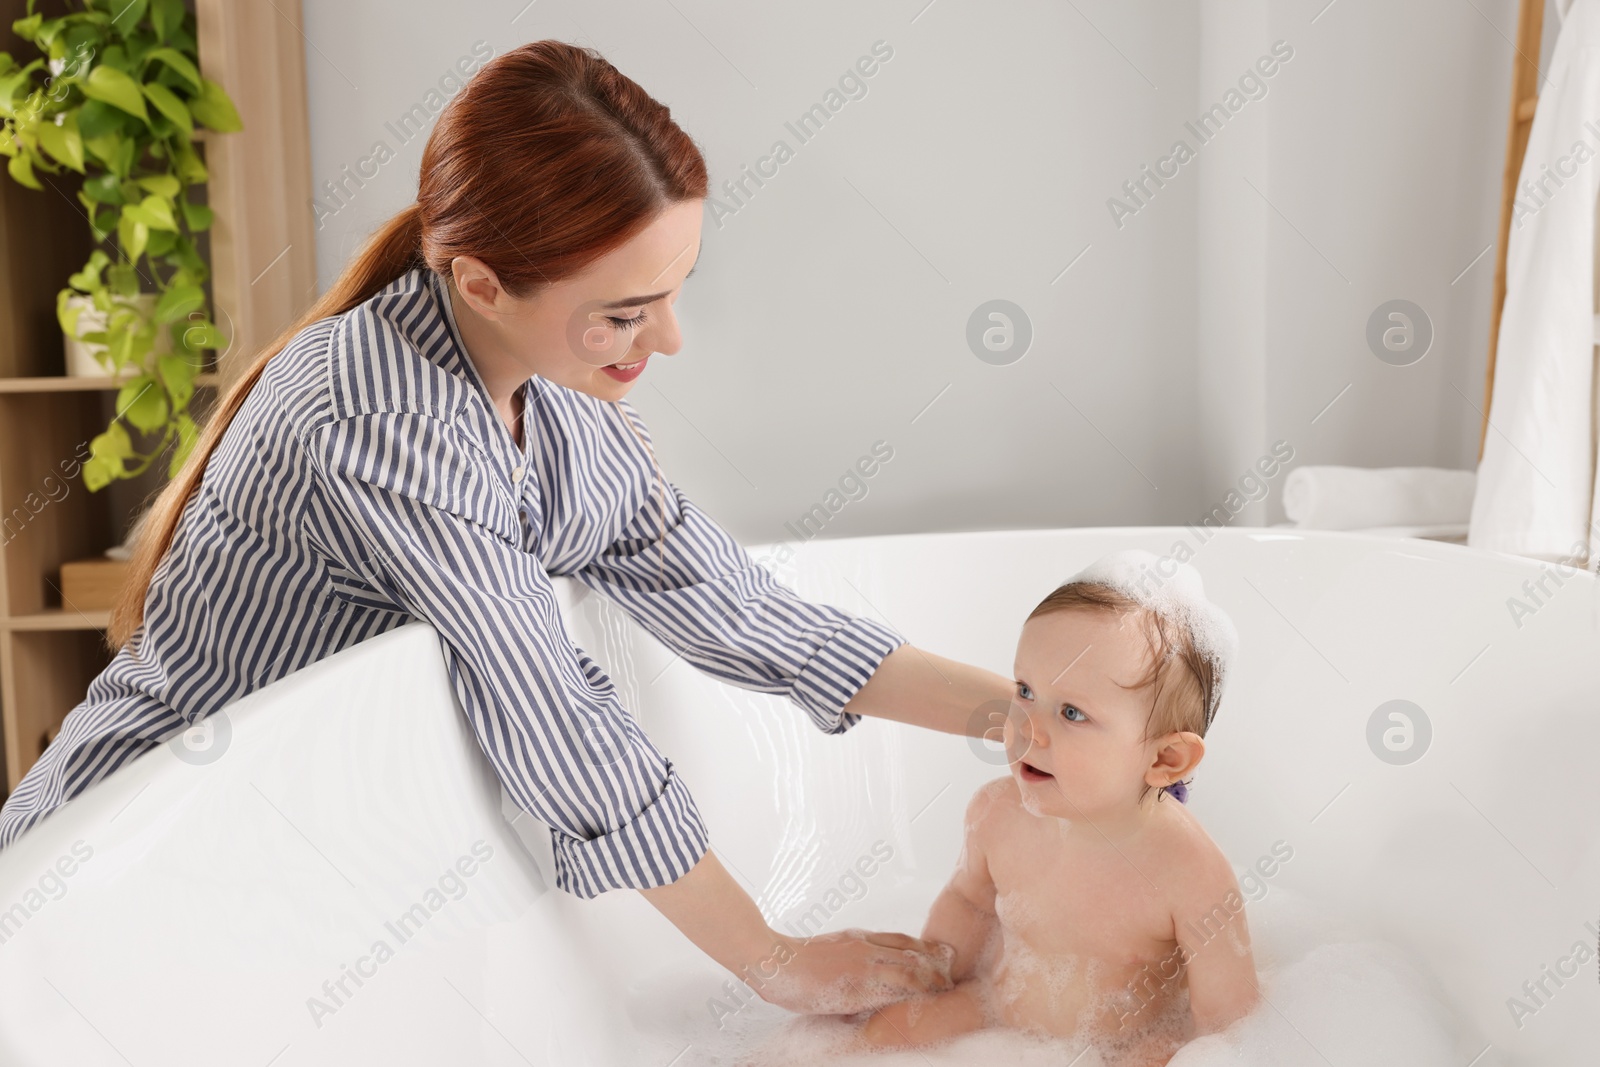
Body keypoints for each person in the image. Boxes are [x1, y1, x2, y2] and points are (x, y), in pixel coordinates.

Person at [0, 40, 1014, 1015]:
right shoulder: (385, 419)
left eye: (672, 294)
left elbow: (747, 611)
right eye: (623, 312)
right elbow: (551, 712)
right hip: (116, 874)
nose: (665, 339)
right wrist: (775, 959)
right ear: (482, 281)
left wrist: (1034, 719)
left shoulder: (556, 400)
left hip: (278, 874)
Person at [853, 550, 1260, 1062]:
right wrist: (934, 972)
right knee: (878, 1036)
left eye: (1072, 712)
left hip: (1121, 1044)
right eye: (1025, 691)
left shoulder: (1190, 872)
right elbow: (968, 902)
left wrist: (1175, 1051)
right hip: (996, 1006)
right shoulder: (996, 813)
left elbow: (1230, 1021)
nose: (1028, 726)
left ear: (1165, 758)